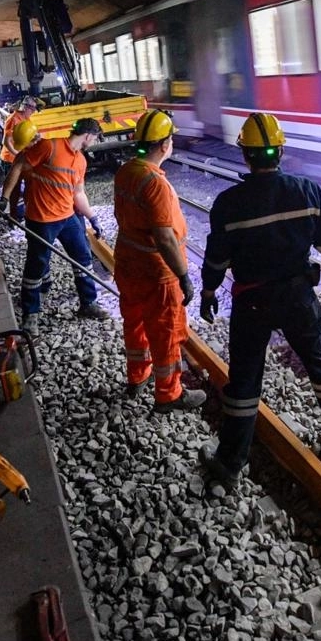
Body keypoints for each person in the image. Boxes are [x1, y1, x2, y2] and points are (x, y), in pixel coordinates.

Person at [197, 112, 321, 486]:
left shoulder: (229, 204)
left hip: (252, 302)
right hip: (298, 296)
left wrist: (208, 291)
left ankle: (229, 464)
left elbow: (216, 258)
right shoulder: (307, 191)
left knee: (244, 381)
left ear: (245, 154)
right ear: (281, 151)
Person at [111, 110, 206, 413]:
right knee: (166, 334)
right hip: (156, 272)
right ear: (165, 145)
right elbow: (165, 238)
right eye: (171, 139)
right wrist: (184, 276)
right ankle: (169, 395)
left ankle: (138, 376)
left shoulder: (126, 171)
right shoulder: (155, 183)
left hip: (128, 264)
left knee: (135, 323)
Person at [0, 118, 111, 327]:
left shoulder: (80, 160)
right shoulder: (50, 146)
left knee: (83, 257)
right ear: (88, 135)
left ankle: (88, 303)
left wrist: (92, 217)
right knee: (37, 265)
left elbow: (79, 194)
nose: (94, 142)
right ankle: (31, 315)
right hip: (41, 219)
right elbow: (18, 165)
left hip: (67, 217)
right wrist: (4, 199)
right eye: (95, 138)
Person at [0, 98, 40, 218]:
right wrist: (17, 154)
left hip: (20, 158)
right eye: (32, 108)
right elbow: (6, 141)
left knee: (27, 185)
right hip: (10, 159)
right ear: (25, 107)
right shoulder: (13, 119)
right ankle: (13, 215)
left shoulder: (26, 118)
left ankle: (24, 212)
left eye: (34, 109)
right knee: (14, 189)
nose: (33, 111)